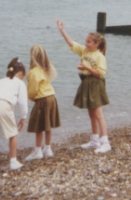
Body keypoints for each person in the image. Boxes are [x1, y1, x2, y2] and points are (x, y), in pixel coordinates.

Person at [56, 20, 111, 153]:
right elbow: (71, 43)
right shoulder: (85, 51)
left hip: (95, 83)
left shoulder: (99, 56)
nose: (85, 44)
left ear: (96, 44)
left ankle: (105, 142)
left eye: (88, 42)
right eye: (85, 41)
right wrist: (62, 30)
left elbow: (100, 74)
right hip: (86, 82)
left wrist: (86, 67)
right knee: (91, 113)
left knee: (98, 113)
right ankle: (94, 140)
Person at [0, 57, 28, 171]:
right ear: (20, 73)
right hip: (4, 105)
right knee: (13, 133)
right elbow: (22, 102)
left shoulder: (0, 81)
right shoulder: (19, 83)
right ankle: (13, 161)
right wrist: (23, 117)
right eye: (22, 76)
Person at [25, 45, 61, 161]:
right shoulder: (45, 69)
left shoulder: (32, 72)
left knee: (39, 126)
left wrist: (30, 98)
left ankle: (37, 151)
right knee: (48, 124)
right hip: (52, 97)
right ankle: (48, 148)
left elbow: (32, 90)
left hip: (42, 100)